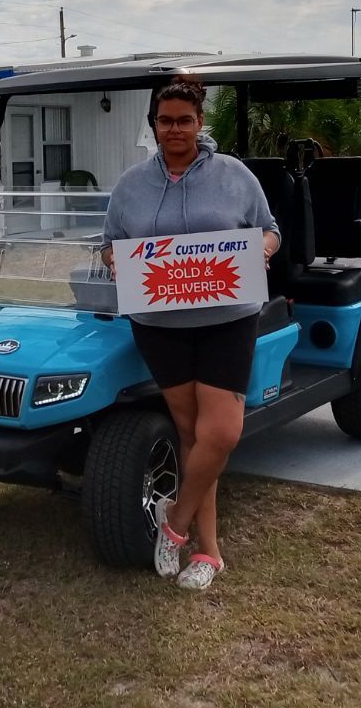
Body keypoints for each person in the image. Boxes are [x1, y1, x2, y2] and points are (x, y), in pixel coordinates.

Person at [99, 80, 279, 591]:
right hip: (161, 326)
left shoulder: (235, 176)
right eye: (164, 120)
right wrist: (116, 261)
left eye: (184, 120)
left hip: (228, 319)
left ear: (200, 123)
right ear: (153, 125)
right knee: (192, 437)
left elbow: (270, 228)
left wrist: (262, 248)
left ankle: (174, 525)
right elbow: (111, 243)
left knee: (220, 434)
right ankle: (210, 554)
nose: (174, 129)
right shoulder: (131, 184)